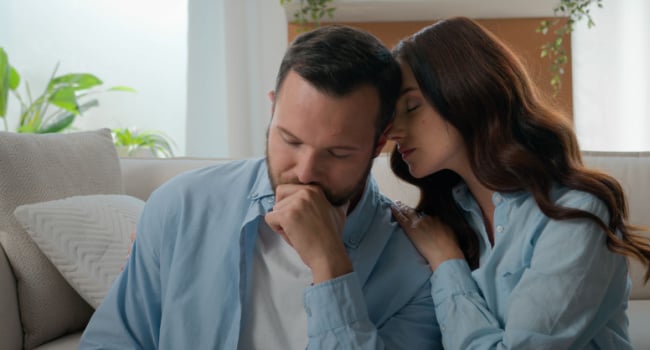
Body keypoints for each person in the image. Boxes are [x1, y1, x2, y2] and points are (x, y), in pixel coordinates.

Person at [79, 25, 441, 349]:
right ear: (271, 111)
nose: (305, 172)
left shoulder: (415, 271)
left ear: (379, 144)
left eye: (338, 153)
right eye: (290, 140)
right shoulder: (181, 206)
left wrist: (330, 267)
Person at [387, 17, 650, 349]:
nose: (393, 131)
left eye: (412, 106)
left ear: (468, 90)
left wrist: (447, 262)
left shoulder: (574, 214)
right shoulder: (445, 219)